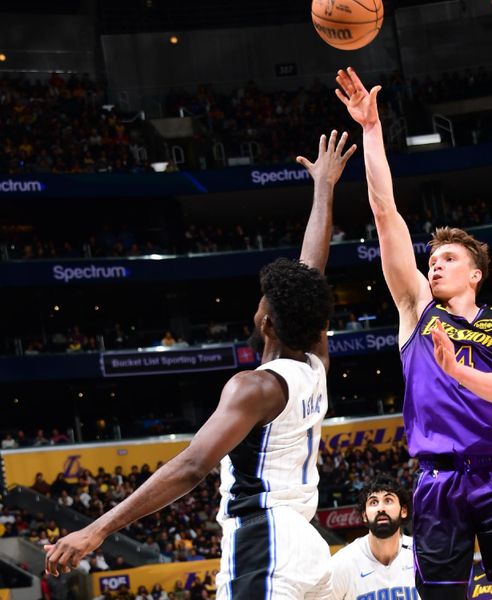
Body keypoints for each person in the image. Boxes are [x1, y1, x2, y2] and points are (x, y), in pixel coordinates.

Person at [43, 129, 358, 600]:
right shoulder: (316, 363)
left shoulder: (254, 387)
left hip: (264, 541)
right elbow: (310, 272)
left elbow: (193, 466)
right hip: (305, 545)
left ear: (266, 321)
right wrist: (323, 187)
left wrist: (97, 529)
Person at [336, 67, 492, 600]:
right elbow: (384, 211)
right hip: (437, 482)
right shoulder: (416, 307)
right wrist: (371, 129)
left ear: (475, 273)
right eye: (431, 260)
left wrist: (456, 368)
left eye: (448, 259)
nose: (435, 266)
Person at [330, 475, 414, 600]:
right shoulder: (341, 564)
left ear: (403, 511)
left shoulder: (420, 556)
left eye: (388, 500)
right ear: (364, 515)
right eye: (373, 502)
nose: (381, 508)